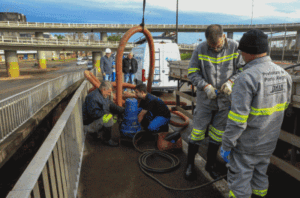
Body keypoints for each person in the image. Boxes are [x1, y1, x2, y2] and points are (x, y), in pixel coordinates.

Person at [220, 29, 292, 198]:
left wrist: (226, 145)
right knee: (260, 176)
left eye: (242, 52)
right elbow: (284, 106)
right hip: (269, 142)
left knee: (239, 183)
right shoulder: (285, 75)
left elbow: (237, 120)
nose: (242, 55)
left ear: (248, 52)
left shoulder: (246, 78)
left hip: (247, 144)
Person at [186, 24, 245, 181]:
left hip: (225, 101)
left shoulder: (235, 47)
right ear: (206, 41)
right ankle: (190, 164)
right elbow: (192, 72)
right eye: (211, 46)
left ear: (223, 37)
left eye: (217, 45)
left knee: (217, 135)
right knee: (197, 133)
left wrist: (231, 82)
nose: (215, 48)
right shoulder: (200, 48)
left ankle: (210, 165)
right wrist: (205, 86)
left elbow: (242, 70)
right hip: (206, 100)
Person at [82, 81, 124, 147]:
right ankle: (106, 139)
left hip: (94, 120)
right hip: (89, 124)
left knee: (113, 114)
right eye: (109, 92)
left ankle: (99, 133)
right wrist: (108, 113)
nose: (110, 94)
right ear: (103, 89)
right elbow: (94, 114)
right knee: (109, 118)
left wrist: (121, 109)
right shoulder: (93, 97)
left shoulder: (102, 94)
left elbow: (110, 104)